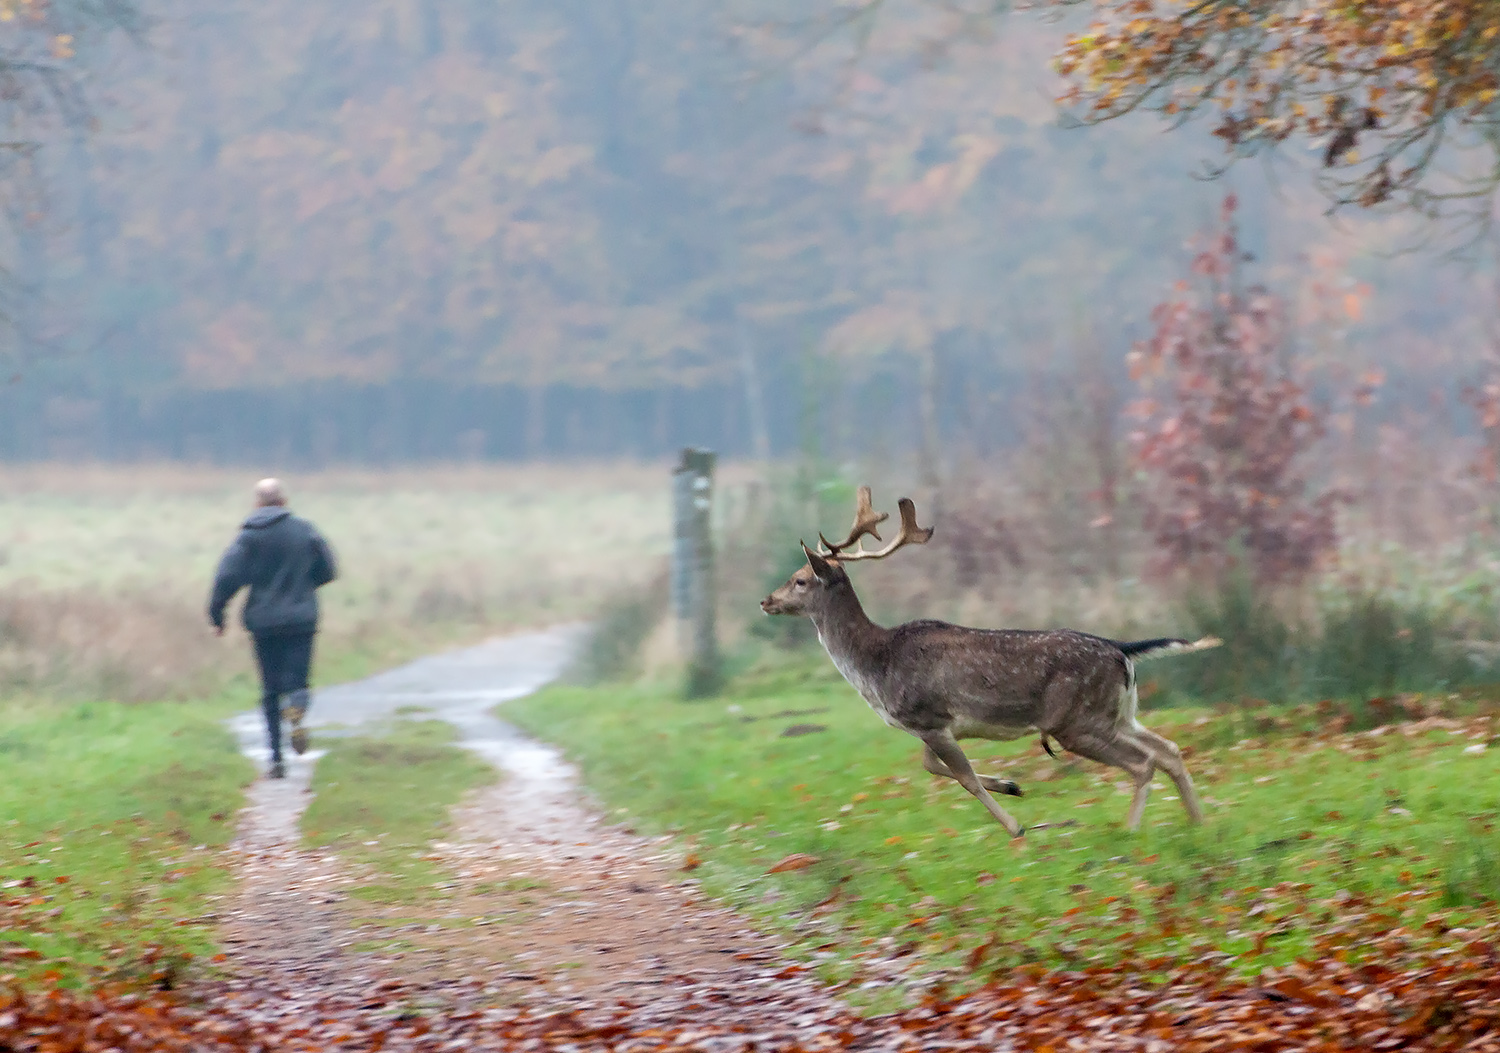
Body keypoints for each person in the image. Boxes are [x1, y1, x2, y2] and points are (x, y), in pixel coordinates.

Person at [209, 478, 338, 778]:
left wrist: (217, 614)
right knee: (299, 682)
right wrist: (304, 587)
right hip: (301, 620)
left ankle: (276, 759)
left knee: (269, 689)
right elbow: (328, 569)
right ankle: (297, 707)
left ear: (257, 503)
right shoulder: (304, 530)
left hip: (264, 623)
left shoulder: (248, 538)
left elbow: (226, 577)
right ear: (284, 501)